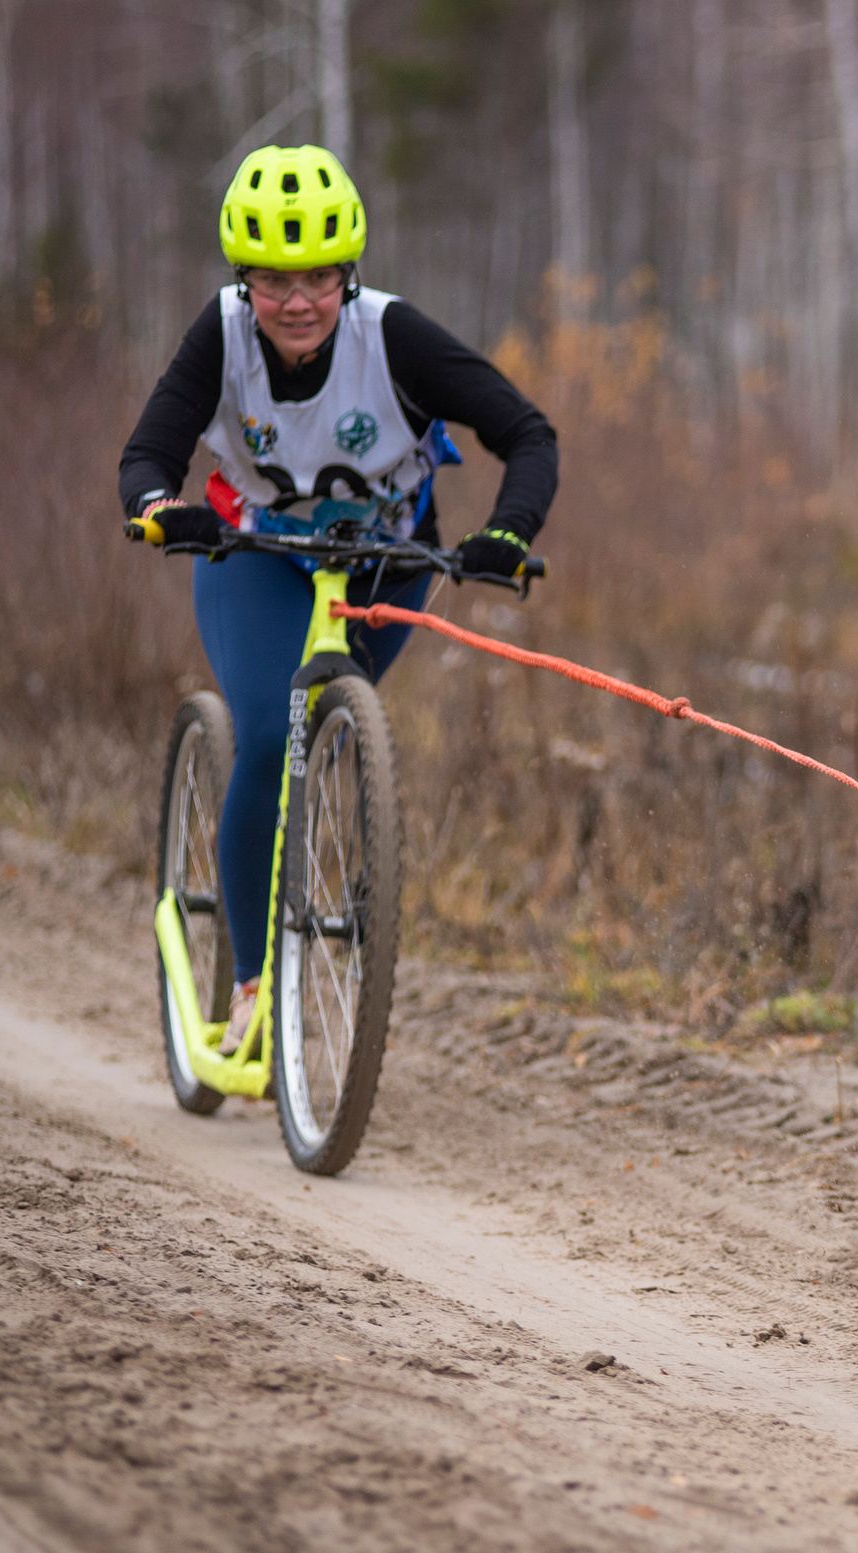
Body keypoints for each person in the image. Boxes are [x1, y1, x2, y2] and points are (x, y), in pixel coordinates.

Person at [120, 144, 557, 1050]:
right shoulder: (222, 336)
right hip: (254, 556)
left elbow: (526, 431)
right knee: (275, 730)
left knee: (335, 720)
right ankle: (249, 980)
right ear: (244, 281)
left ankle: (337, 887)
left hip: (387, 561)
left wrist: (508, 531)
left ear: (346, 272)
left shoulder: (393, 336)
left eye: (317, 276)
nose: (297, 301)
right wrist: (162, 507)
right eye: (273, 280)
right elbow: (149, 454)